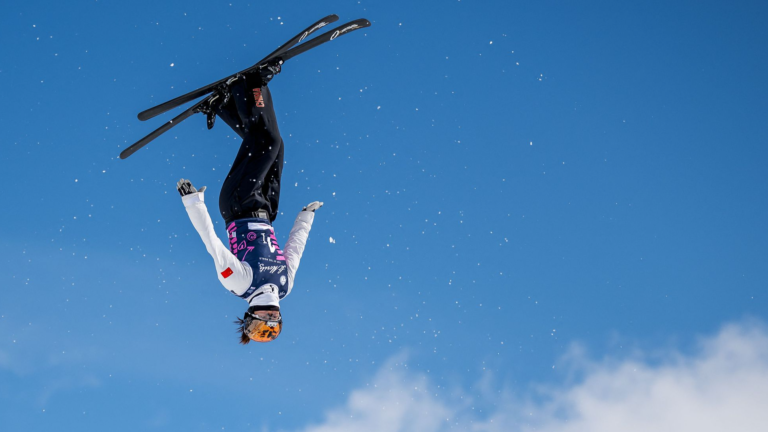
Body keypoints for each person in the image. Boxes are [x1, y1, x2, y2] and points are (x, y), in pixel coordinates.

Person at [176, 61, 322, 344]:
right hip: (267, 208)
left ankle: (255, 83)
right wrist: (305, 218)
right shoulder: (284, 287)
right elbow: (294, 251)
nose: (268, 321)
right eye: (272, 328)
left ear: (250, 317)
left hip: (238, 205)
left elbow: (213, 244)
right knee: (270, 148)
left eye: (259, 327)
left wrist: (194, 203)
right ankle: (222, 104)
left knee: (268, 142)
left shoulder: (240, 283)